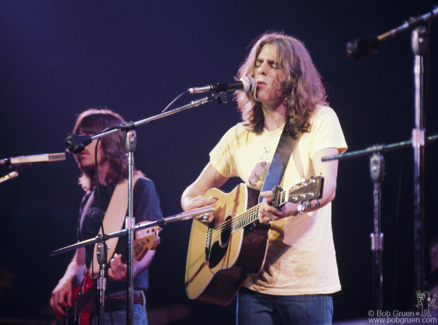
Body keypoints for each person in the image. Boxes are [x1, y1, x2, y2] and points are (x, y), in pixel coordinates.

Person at [181, 32, 347, 325]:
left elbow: (327, 186)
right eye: (258, 63)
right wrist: (201, 208)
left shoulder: (320, 120)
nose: (261, 71)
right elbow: (190, 194)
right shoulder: (239, 136)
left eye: (273, 64)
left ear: (294, 76)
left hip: (306, 287)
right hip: (250, 285)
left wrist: (291, 207)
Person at [50, 108, 163, 325]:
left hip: (122, 309)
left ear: (110, 141)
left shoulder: (139, 188)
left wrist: (131, 269)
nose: (79, 146)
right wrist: (66, 280)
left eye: (87, 137)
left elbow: (146, 245)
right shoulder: (88, 198)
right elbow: (81, 260)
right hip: (88, 311)